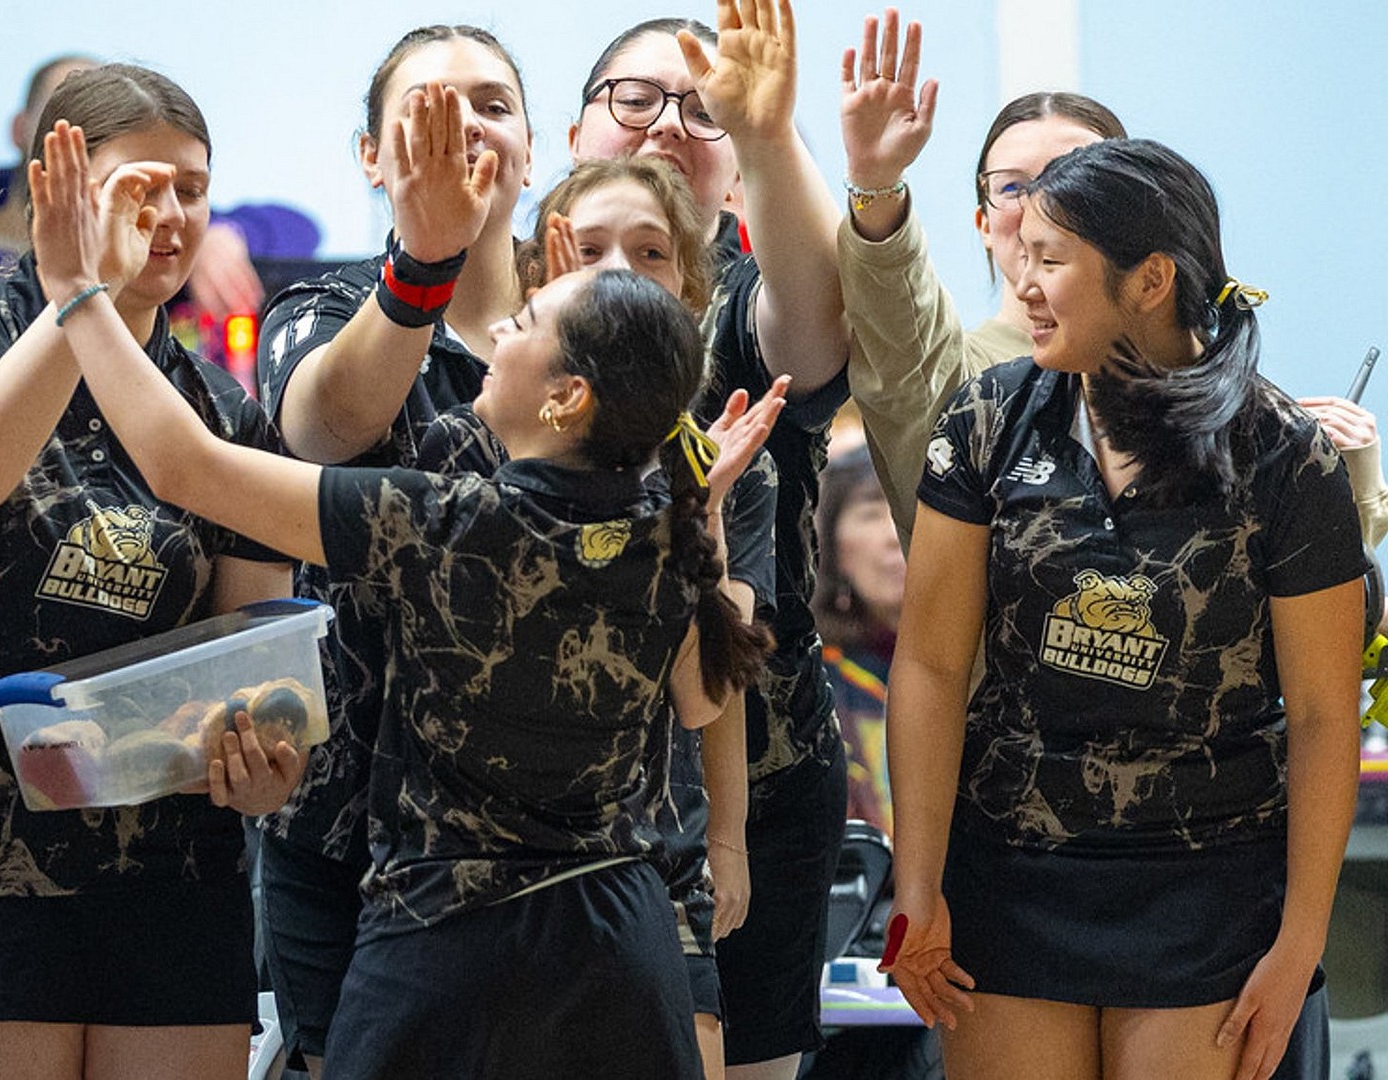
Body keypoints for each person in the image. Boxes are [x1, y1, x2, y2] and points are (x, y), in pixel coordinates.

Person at [32, 113, 785, 1075]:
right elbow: (703, 696)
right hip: (623, 938)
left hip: (450, 942)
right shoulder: (668, 523)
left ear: (566, 398)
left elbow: (186, 466)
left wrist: (77, 294)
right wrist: (702, 518)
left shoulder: (443, 522)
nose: (503, 328)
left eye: (527, 324)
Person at [0, 64, 299, 1080]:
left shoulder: (223, 414)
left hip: (171, 870)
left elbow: (251, 654)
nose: (173, 215)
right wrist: (74, 298)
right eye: (142, 186)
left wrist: (264, 758)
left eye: (193, 186)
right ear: (58, 191)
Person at [881, 137, 1366, 1080]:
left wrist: (1302, 939)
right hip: (1011, 869)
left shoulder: (1283, 454)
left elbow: (1319, 714)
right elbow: (932, 666)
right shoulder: (988, 417)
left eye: (1051, 261)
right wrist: (920, 883)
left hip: (1207, 885)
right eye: (1020, 254)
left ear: (1150, 280)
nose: (1022, 283)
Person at [430, 153, 778, 1080]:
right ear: (540, 273)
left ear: (691, 288)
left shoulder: (721, 462)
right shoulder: (471, 437)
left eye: (651, 251)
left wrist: (728, 838)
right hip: (474, 860)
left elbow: (711, 693)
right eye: (589, 248)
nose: (618, 269)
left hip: (653, 852)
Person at [568, 6, 851, 1076]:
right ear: (574, 132)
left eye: (700, 109)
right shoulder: (515, 315)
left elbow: (814, 336)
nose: (664, 126)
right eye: (632, 97)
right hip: (547, 796)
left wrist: (768, 133)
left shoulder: (737, 296)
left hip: (758, 770)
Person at [837, 9, 1388, 554]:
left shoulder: (1228, 397)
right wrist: (877, 184)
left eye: (1073, 174)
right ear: (982, 224)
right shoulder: (968, 393)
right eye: (1011, 187)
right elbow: (899, 331)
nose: (1039, 204)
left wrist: (1346, 480)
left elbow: (1310, 599)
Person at [250, 24, 534, 1075]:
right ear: (371, 156)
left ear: (532, 148)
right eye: (427, 110)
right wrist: (424, 263)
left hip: (564, 838)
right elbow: (325, 433)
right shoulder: (319, 309)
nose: (465, 128)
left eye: (493, 104)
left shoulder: (589, 327)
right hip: (352, 838)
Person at [0, 54, 320, 476]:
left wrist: (226, 234)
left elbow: (299, 224)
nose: (165, 212)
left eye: (191, 191)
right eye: (133, 187)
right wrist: (87, 286)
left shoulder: (225, 406)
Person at [809, 444, 901, 837]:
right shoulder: (815, 680)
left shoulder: (986, 669)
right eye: (870, 513)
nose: (894, 535)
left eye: (906, 511)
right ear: (834, 547)